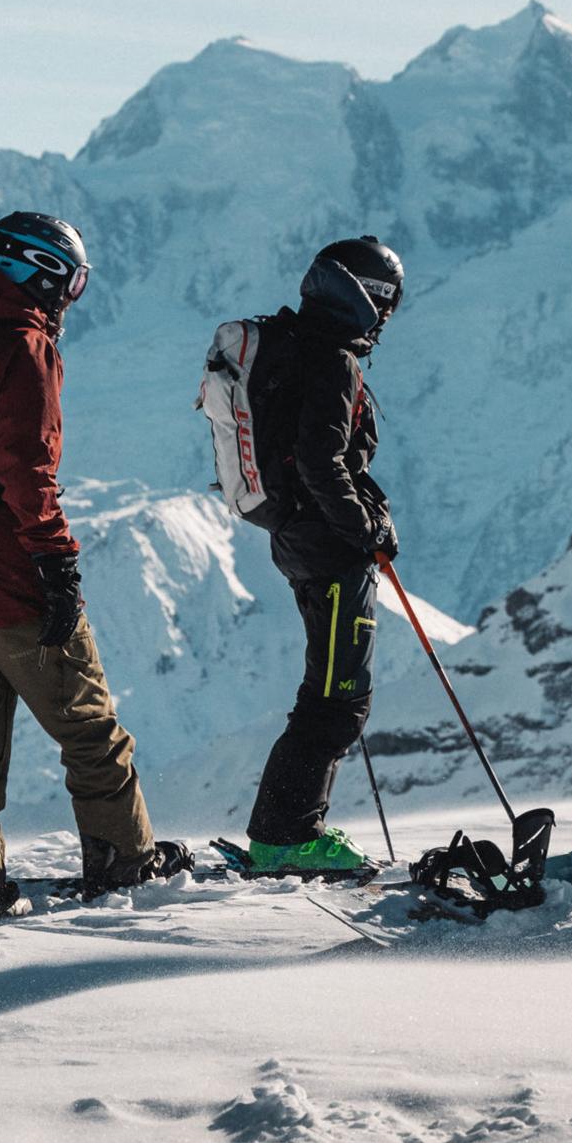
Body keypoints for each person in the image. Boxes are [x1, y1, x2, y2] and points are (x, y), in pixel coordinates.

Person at [0, 211, 178, 918]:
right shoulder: (21, 346)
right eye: (75, 282)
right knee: (90, 730)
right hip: (8, 577)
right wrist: (56, 562)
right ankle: (126, 866)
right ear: (43, 271)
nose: (72, 299)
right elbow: (28, 471)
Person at [240, 236, 406, 875]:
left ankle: (284, 831)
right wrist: (363, 528)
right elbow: (321, 462)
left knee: (328, 690)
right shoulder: (333, 361)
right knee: (339, 698)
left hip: (297, 539)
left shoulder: (296, 348)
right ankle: (286, 837)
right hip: (329, 548)